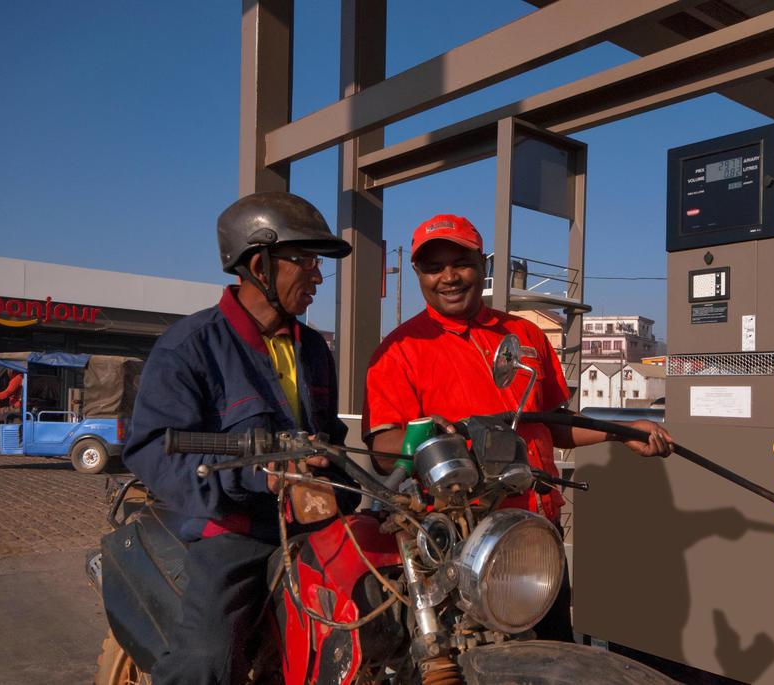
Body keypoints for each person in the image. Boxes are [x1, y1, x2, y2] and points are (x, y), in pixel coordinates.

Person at [362, 214, 674, 642]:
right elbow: (383, 449)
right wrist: (437, 437)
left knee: (552, 655)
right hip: (459, 545)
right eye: (434, 267)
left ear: (482, 264)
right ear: (418, 272)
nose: (449, 277)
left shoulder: (524, 333)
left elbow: (556, 427)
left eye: (462, 262)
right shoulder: (398, 351)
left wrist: (623, 431)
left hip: (537, 538)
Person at [122, 191, 358, 685]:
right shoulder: (189, 346)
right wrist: (263, 477)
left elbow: (329, 437)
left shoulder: (313, 348)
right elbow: (152, 449)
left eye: (319, 264)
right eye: (306, 261)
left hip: (311, 523)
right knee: (208, 659)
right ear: (259, 264)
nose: (317, 276)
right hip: (236, 533)